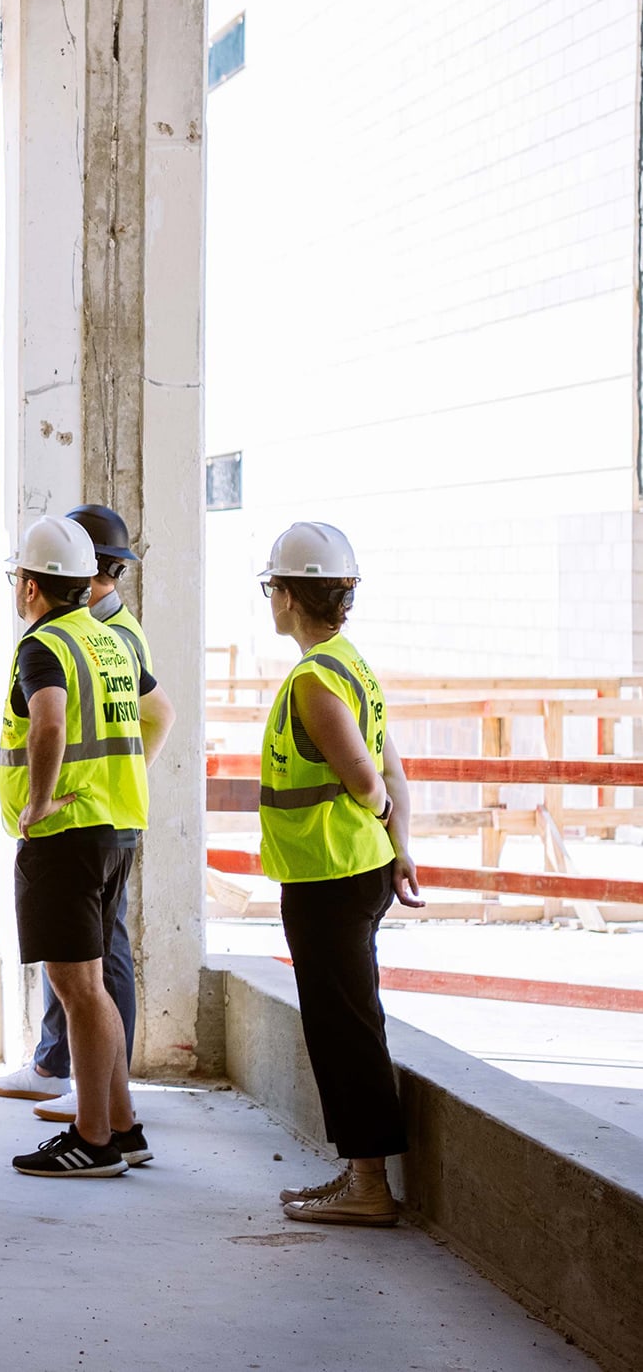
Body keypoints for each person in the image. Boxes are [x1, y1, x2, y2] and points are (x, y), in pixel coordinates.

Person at [0, 504, 175, 1131]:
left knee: (81, 989)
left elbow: (49, 722)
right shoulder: (107, 639)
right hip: (116, 825)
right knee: (91, 987)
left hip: (69, 833)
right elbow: (160, 713)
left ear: (31, 584)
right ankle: (119, 1127)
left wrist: (37, 803)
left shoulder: (43, 645)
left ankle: (93, 1137)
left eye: (18, 576)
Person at [257, 522, 423, 1227]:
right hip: (353, 872)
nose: (270, 598)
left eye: (271, 587)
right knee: (347, 1021)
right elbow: (393, 765)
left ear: (289, 596)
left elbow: (367, 775)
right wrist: (401, 842)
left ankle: (369, 1185)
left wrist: (383, 817)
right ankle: (360, 1175)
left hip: (333, 876)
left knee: (344, 1027)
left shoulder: (316, 679)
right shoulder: (350, 663)